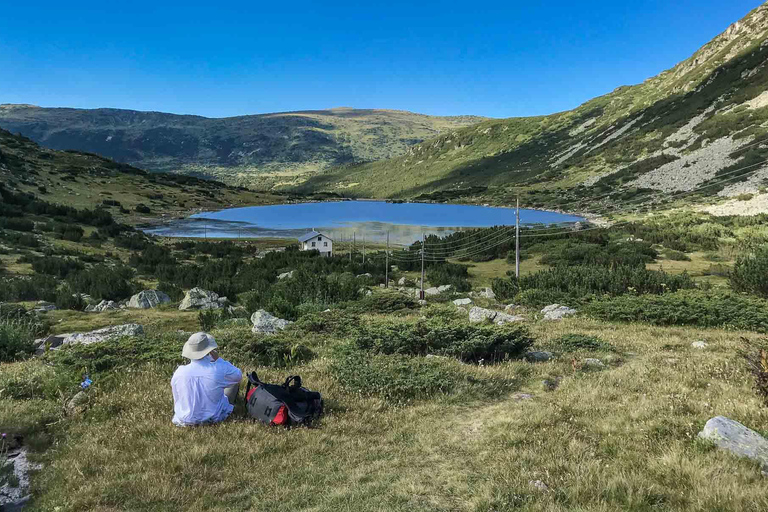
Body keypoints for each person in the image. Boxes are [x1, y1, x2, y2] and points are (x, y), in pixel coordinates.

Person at [171, 332, 243, 426]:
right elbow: (238, 376)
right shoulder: (218, 368)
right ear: (209, 350)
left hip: (184, 419)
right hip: (213, 418)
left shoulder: (179, 372)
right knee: (233, 382)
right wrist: (219, 360)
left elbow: (177, 398)